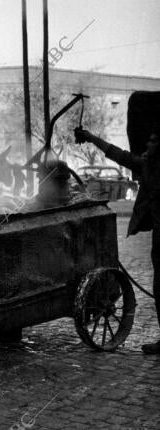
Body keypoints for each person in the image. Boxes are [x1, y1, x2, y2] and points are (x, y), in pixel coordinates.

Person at [75, 127, 160, 354]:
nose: (148, 146)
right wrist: (92, 138)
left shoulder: (152, 167)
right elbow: (119, 155)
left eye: (152, 141)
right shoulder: (148, 165)